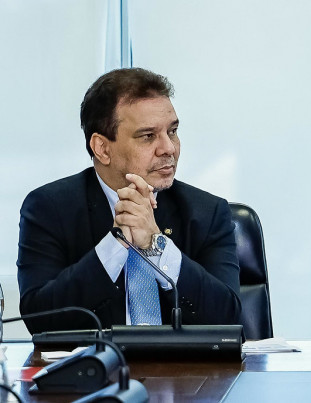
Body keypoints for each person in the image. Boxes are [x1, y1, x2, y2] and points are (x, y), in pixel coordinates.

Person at [18, 68, 241, 333]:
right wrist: (116, 243)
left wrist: (156, 245)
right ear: (102, 148)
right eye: (148, 136)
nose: (168, 148)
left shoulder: (207, 212)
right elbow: (40, 320)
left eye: (172, 131)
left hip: (183, 362)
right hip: (97, 360)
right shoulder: (49, 208)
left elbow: (228, 320)